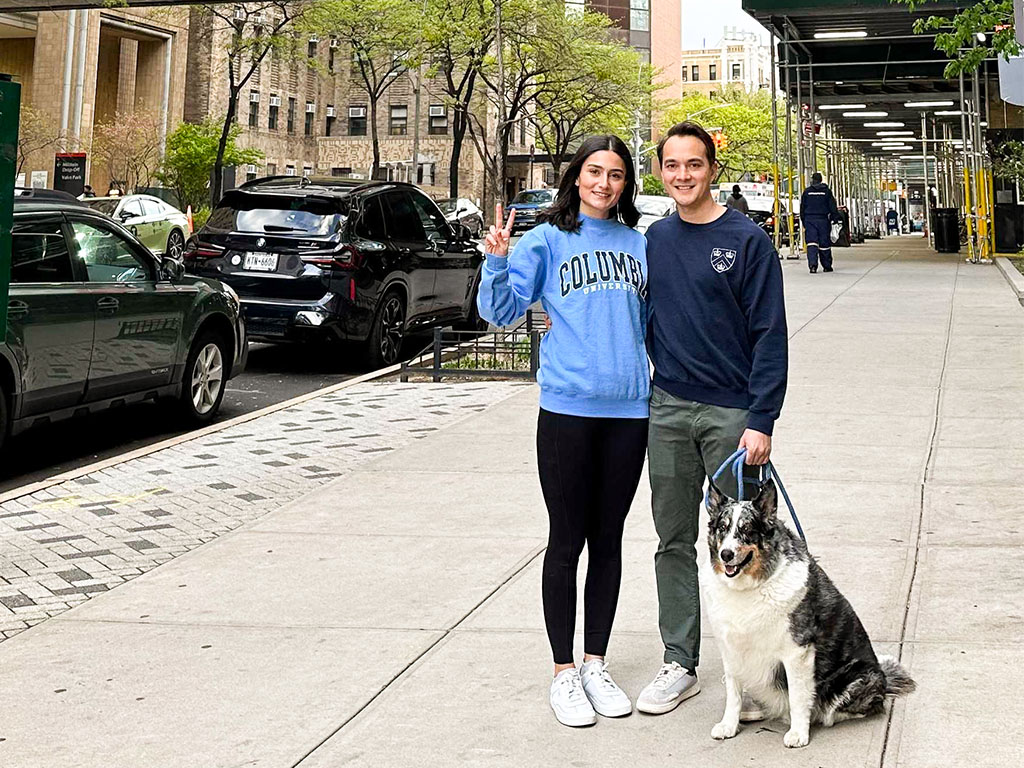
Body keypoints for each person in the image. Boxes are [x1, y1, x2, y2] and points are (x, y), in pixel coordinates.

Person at [477, 135, 649, 729]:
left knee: (609, 539)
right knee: (567, 537)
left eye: (617, 175)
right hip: (568, 410)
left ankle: (596, 662)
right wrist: (497, 259)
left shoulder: (638, 244)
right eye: (594, 172)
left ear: (627, 184)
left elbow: (654, 326)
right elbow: (499, 313)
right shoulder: (546, 240)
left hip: (630, 413)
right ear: (575, 177)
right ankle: (563, 672)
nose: (604, 183)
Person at [635, 121, 788, 717]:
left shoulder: (747, 241)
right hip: (668, 407)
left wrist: (762, 417)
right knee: (673, 537)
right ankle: (680, 661)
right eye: (671, 165)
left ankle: (754, 673)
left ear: (712, 169)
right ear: (661, 170)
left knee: (744, 546)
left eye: (693, 165)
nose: (682, 176)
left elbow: (769, 334)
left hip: (732, 415)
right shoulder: (655, 239)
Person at [799, 171, 840, 273]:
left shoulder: (807, 192)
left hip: (809, 220)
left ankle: (813, 266)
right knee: (824, 244)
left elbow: (802, 208)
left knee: (811, 243)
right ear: (821, 180)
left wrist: (804, 221)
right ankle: (827, 266)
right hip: (823, 220)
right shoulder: (827, 192)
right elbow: (833, 207)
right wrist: (835, 219)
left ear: (813, 180)